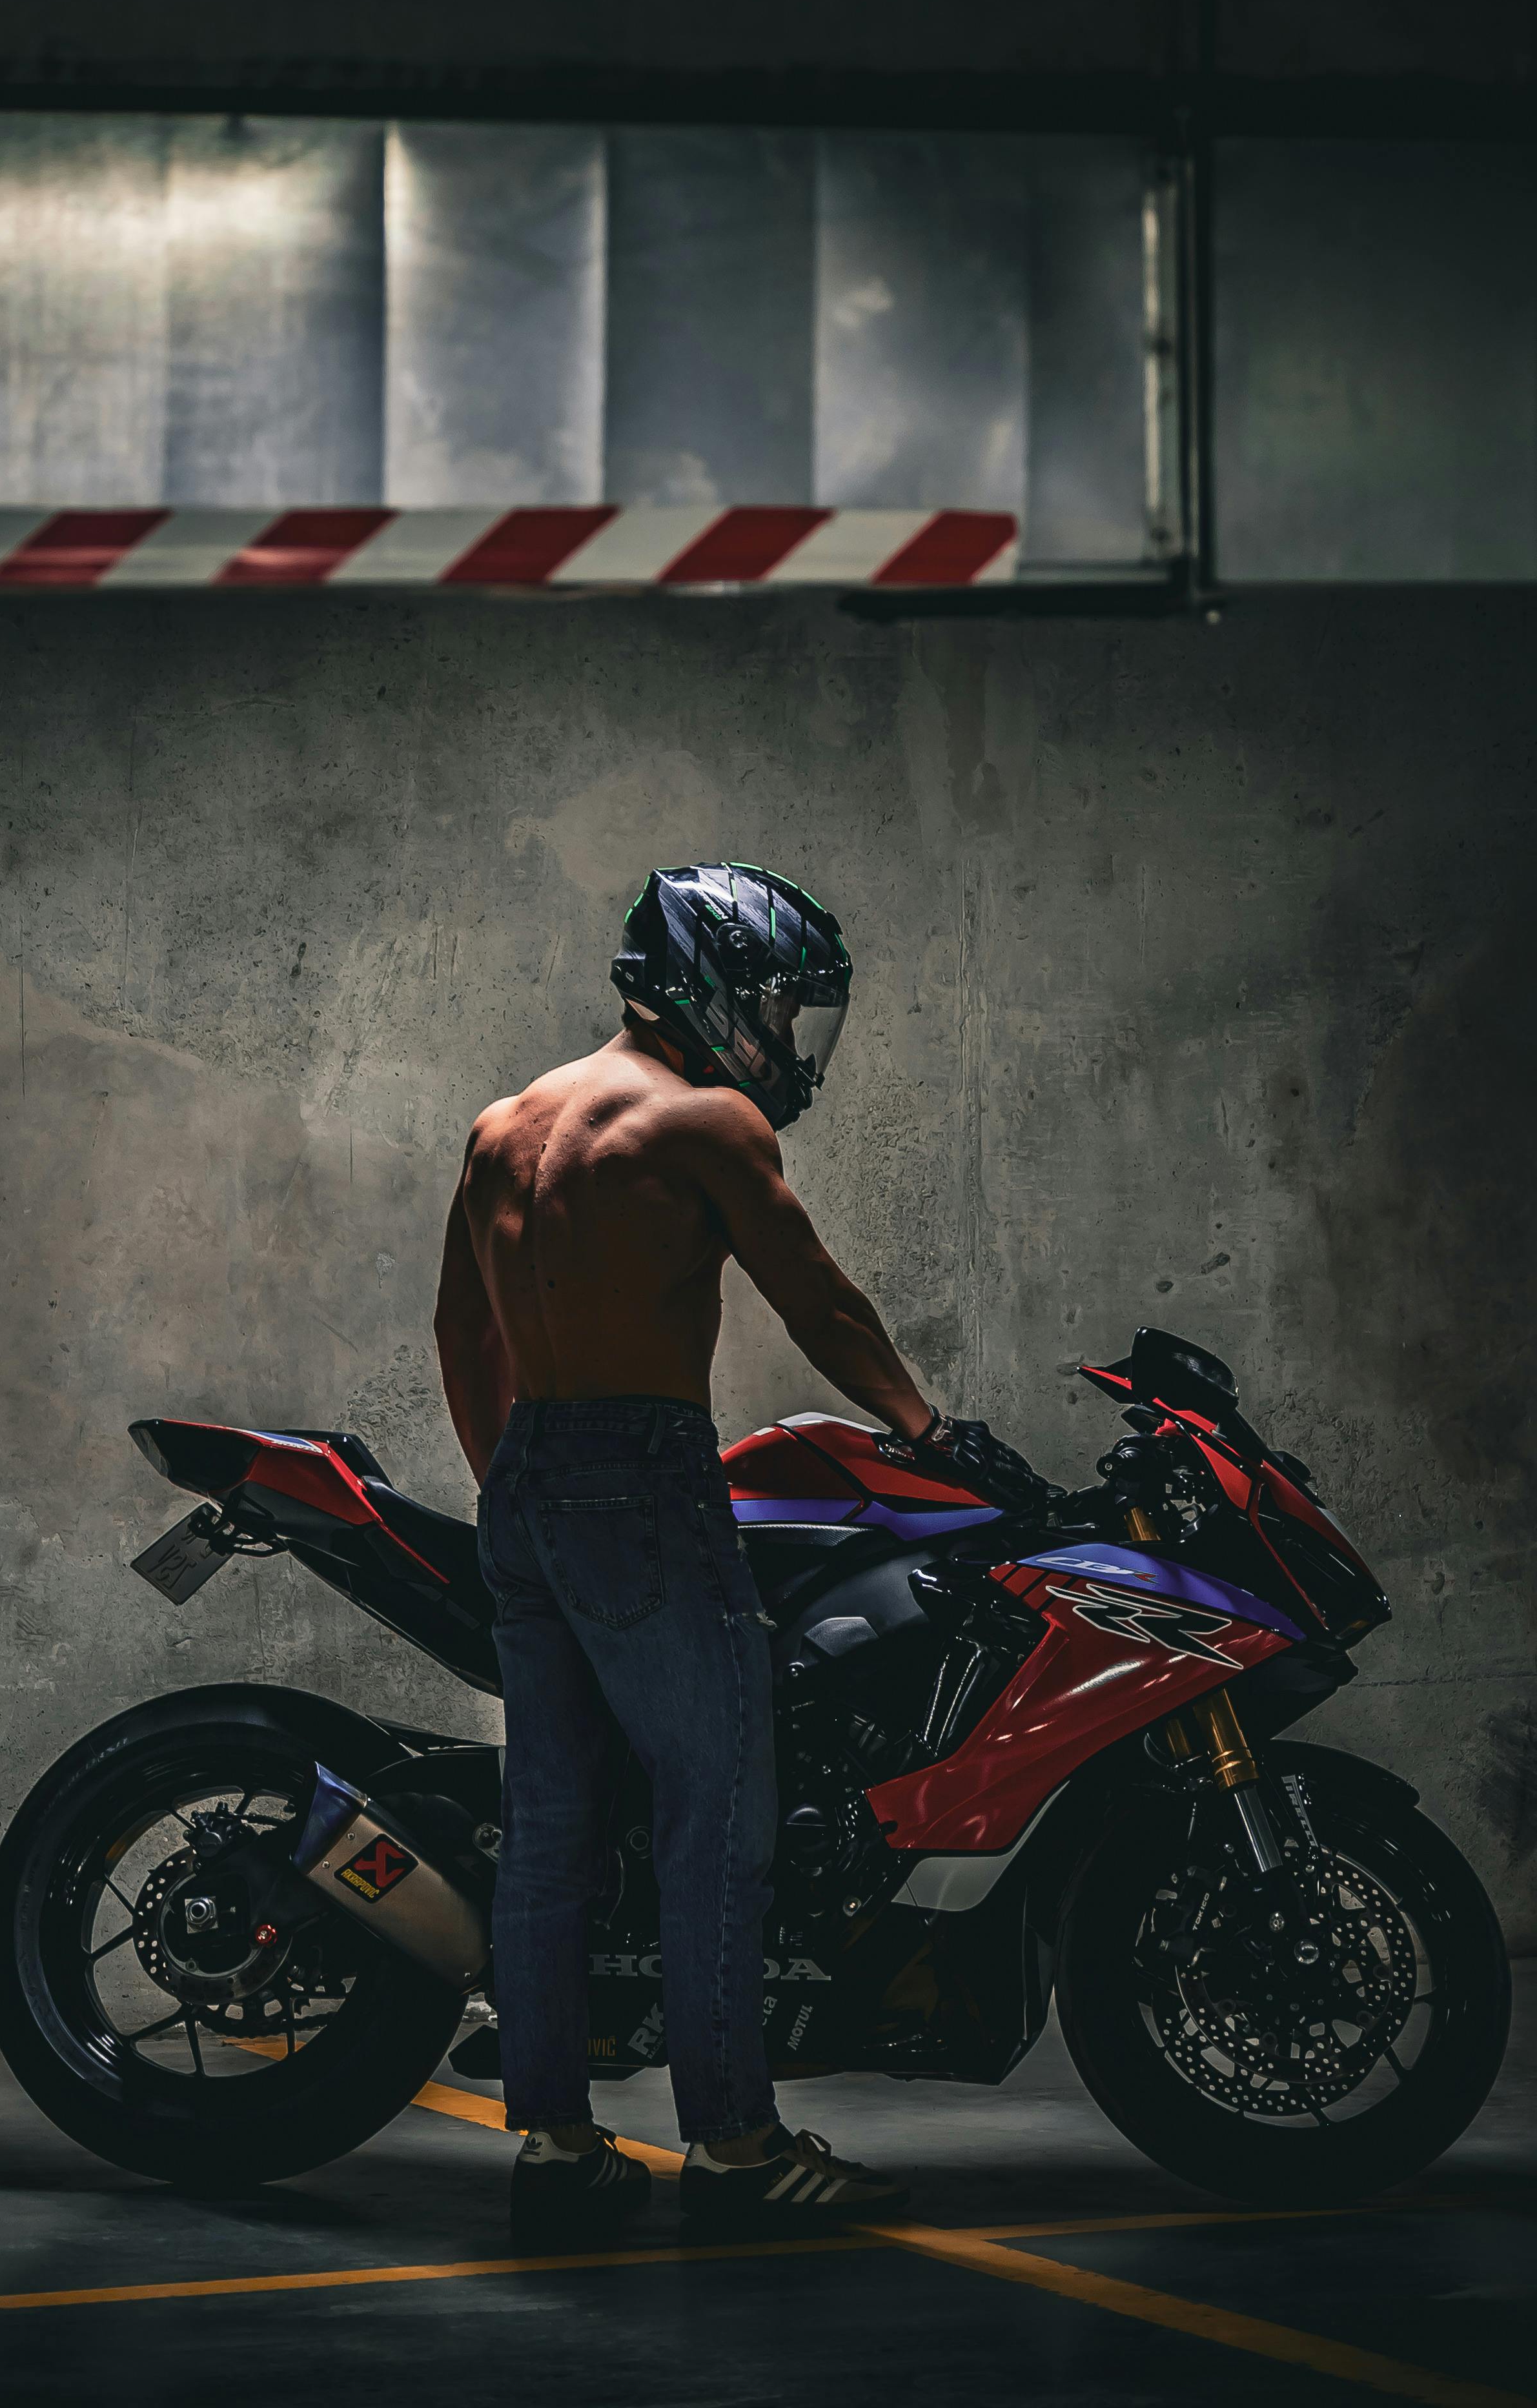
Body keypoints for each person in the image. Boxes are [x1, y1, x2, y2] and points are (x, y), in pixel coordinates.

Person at [434, 862, 1050, 2238]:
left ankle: (551, 2138)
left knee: (549, 1826)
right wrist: (930, 1428)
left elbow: (460, 1334)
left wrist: (513, 1489)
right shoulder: (703, 1122)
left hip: (529, 1479)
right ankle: (736, 2142)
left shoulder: (504, 1124)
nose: (787, 1045)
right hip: (644, 1475)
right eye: (780, 1010)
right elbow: (819, 1304)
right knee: (716, 1814)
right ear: (708, 987)